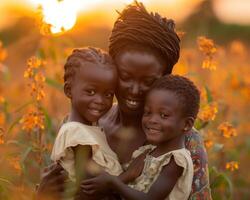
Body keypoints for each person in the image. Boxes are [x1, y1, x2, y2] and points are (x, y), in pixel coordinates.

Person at [37, 1, 211, 199]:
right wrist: (42, 193)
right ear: (111, 68)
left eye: (148, 81)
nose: (134, 90)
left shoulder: (182, 139)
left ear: (165, 79)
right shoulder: (82, 125)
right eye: (125, 77)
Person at [82, 74, 199, 200]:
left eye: (164, 115)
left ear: (187, 124)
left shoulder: (176, 160)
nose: (152, 120)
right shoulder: (149, 151)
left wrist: (112, 183)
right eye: (148, 112)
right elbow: (127, 178)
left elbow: (150, 198)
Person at [49, 47, 123, 199]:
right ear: (69, 90)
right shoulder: (77, 133)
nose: (100, 101)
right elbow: (90, 186)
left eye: (108, 94)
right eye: (90, 92)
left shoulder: (87, 129)